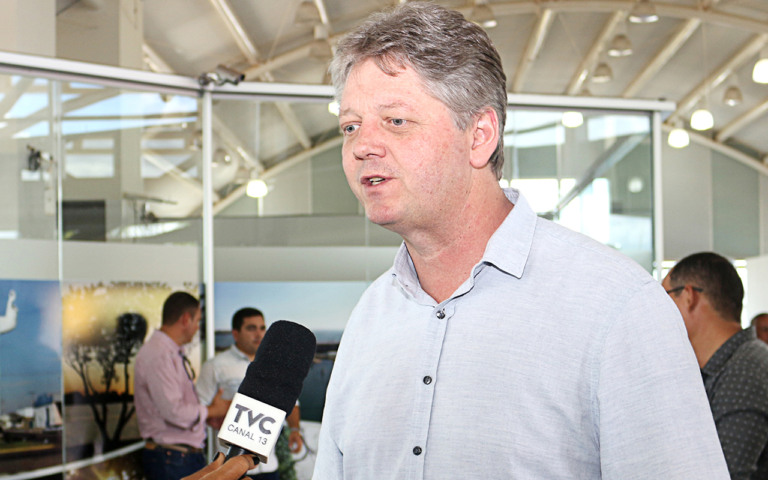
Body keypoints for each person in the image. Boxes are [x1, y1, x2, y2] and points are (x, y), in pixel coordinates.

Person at [313, 3, 729, 479]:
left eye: (395, 121)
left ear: (479, 136)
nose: (362, 146)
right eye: (350, 126)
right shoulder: (369, 318)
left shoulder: (617, 310)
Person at [663, 252, 768, 479]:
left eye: (664, 297)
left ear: (689, 296)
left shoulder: (744, 371)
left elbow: (725, 473)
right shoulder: (720, 367)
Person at [196, 307, 303, 480]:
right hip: (229, 468)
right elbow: (198, 410)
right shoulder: (215, 366)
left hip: (269, 466)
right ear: (235, 333)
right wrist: (215, 414)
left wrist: (295, 430)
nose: (259, 334)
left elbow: (292, 402)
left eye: (262, 328)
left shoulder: (277, 368)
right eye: (251, 328)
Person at [134, 291, 230, 480]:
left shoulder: (168, 352)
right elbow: (174, 412)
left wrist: (205, 417)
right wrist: (213, 410)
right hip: (173, 460)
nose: (197, 328)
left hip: (176, 459)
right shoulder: (160, 355)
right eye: (198, 321)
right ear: (186, 319)